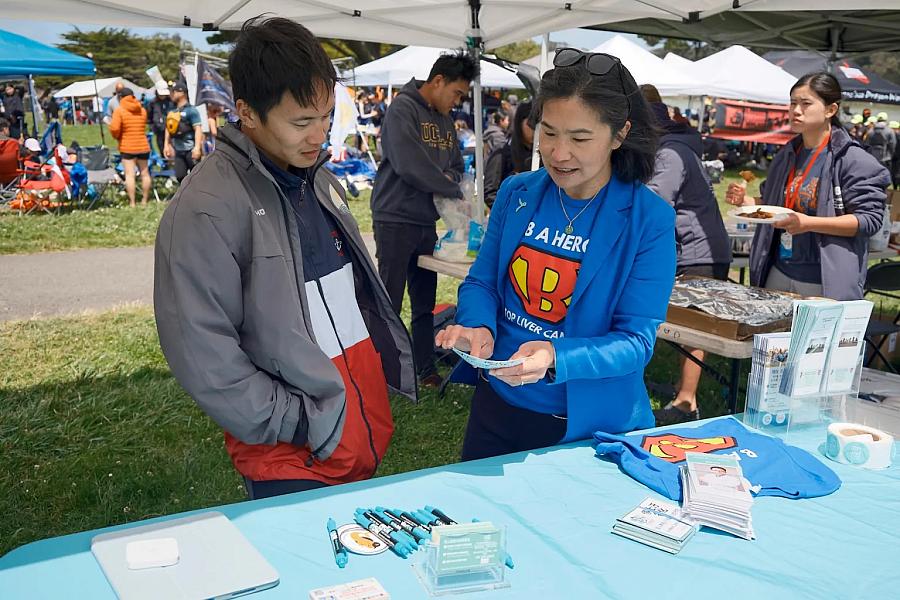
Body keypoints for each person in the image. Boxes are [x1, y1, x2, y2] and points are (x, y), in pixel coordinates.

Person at [154, 17, 415, 501]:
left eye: (327, 117)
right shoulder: (204, 208)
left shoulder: (313, 177)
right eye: (301, 122)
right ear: (247, 113)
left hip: (354, 435)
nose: (320, 136)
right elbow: (201, 351)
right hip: (290, 457)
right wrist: (297, 421)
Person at [436, 49, 676, 460]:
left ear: (618, 135)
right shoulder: (518, 193)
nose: (559, 153)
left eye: (580, 138)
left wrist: (554, 356)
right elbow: (482, 283)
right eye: (548, 132)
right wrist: (477, 325)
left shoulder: (648, 219)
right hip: (498, 406)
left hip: (585, 424)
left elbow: (636, 341)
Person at [726, 72, 889, 300]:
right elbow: (776, 206)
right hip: (777, 270)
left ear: (830, 110)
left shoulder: (853, 159)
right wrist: (747, 201)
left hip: (825, 280)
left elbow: (869, 220)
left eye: (805, 104)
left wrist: (808, 223)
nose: (796, 110)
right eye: (793, 103)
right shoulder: (787, 154)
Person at [370, 51, 475, 386]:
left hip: (426, 222)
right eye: (457, 93)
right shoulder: (402, 108)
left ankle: (425, 368)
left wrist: (449, 180)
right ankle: (383, 372)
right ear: (438, 81)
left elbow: (457, 166)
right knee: (389, 299)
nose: (457, 102)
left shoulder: (445, 120)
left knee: (424, 303)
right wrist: (447, 183)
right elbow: (408, 164)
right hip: (395, 217)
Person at [641, 84, 732, 426]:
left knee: (695, 327)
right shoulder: (672, 147)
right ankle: (682, 391)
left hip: (699, 252)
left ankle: (686, 402)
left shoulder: (670, 153)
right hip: (693, 248)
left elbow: (653, 201)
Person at [484, 101, 534, 207]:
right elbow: (490, 192)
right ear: (519, 122)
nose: (536, 131)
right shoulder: (502, 152)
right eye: (532, 125)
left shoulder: (542, 154)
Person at [109, 88, 152, 207]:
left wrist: (117, 136)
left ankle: (132, 202)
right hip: (143, 145)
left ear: (121, 97)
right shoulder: (142, 110)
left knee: (129, 175)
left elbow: (115, 129)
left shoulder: (119, 110)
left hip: (127, 146)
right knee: (145, 173)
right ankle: (144, 200)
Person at [164, 82, 204, 182]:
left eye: (174, 91)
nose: (171, 94)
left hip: (191, 149)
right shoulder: (172, 111)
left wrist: (197, 148)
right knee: (180, 176)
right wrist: (167, 145)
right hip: (178, 150)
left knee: (197, 177)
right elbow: (168, 129)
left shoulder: (191, 110)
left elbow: (198, 129)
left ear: (182, 93)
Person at [148, 82, 174, 157]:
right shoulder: (153, 103)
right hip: (159, 130)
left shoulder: (171, 102)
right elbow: (149, 116)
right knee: (161, 147)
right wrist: (152, 126)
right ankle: (165, 164)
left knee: (171, 147)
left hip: (171, 129)